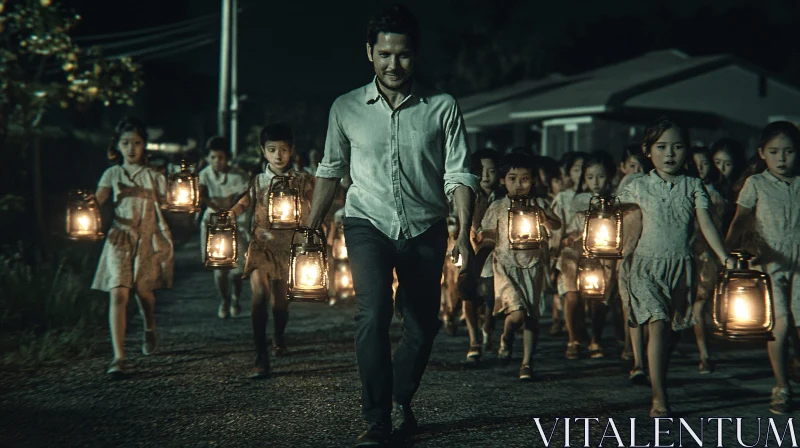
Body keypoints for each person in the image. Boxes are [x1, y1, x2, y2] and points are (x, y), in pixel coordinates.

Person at [304, 4, 478, 446]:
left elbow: (459, 173)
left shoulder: (441, 107)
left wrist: (465, 232)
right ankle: (377, 417)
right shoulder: (345, 108)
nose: (393, 64)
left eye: (401, 55)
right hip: (368, 224)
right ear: (369, 53)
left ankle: (402, 398)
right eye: (384, 54)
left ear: (414, 54)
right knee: (374, 312)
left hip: (426, 226)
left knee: (423, 324)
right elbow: (330, 169)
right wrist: (309, 229)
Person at [617, 117, 732, 417]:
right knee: (656, 323)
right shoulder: (637, 187)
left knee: (670, 333)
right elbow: (625, 228)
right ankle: (659, 397)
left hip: (681, 267)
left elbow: (705, 222)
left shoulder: (693, 186)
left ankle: (658, 376)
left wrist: (723, 255)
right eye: (662, 147)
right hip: (645, 267)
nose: (670, 154)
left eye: (678, 147)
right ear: (647, 150)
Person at [228, 123, 315, 378]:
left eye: (284, 149)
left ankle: (278, 335)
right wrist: (231, 214)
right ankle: (260, 356)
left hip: (288, 246)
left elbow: (317, 198)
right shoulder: (257, 180)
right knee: (260, 295)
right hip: (261, 245)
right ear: (263, 152)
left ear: (292, 151)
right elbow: (246, 201)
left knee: (280, 303)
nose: (278, 155)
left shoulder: (301, 180)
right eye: (272, 150)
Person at [726, 121, 800, 415]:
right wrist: (726, 252)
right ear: (761, 153)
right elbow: (740, 218)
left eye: (789, 151)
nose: (782, 158)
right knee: (779, 324)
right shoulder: (755, 184)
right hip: (770, 265)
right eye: (774, 151)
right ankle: (782, 386)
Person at [91, 116, 174, 376]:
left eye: (137, 142)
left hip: (149, 237)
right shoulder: (112, 174)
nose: (131, 148)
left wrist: (177, 187)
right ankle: (119, 357)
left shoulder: (153, 174)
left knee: (144, 292)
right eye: (125, 143)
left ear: (144, 145)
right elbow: (98, 200)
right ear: (117, 145)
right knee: (118, 292)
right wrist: (87, 211)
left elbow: (171, 200)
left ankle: (149, 324)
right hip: (120, 237)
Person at [480, 152, 560, 379]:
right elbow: (486, 232)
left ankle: (527, 362)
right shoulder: (497, 206)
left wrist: (545, 218)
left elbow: (556, 224)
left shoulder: (539, 204)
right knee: (517, 313)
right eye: (512, 178)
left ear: (533, 180)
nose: (518, 184)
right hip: (505, 265)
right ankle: (506, 335)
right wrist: (478, 239)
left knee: (531, 316)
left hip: (533, 265)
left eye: (524, 179)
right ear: (503, 180)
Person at [561, 151, 619, 360]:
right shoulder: (579, 200)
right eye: (590, 177)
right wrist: (568, 238)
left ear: (610, 176)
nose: (595, 181)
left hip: (605, 253)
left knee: (600, 299)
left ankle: (596, 338)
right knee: (572, 294)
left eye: (601, 176)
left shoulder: (616, 201)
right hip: (578, 253)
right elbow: (572, 229)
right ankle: (573, 338)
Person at [198, 136, 251, 318]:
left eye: (220, 157)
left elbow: (245, 197)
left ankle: (236, 296)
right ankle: (224, 300)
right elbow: (201, 194)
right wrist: (211, 203)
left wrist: (233, 208)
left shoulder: (239, 175)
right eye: (213, 157)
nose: (217, 161)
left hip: (234, 222)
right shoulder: (204, 175)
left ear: (227, 157)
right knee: (219, 269)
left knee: (236, 270)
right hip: (213, 223)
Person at [461, 148, 500, 362]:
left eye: (491, 170)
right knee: (467, 292)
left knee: (492, 296)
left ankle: (488, 325)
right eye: (480, 171)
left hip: (496, 252)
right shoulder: (466, 193)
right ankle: (474, 340)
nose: (485, 176)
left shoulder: (504, 196)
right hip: (470, 249)